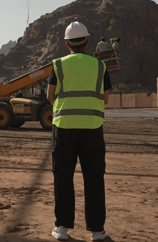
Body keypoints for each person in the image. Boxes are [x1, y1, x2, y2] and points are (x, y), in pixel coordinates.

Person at [47, 21, 111, 241]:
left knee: (63, 178)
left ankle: (62, 228)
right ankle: (97, 231)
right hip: (92, 129)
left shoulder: (58, 65)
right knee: (94, 179)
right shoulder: (100, 67)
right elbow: (106, 97)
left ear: (67, 44)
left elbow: (50, 95)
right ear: (88, 41)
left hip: (63, 128)